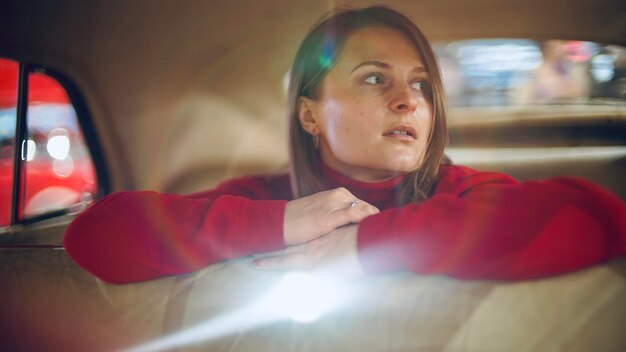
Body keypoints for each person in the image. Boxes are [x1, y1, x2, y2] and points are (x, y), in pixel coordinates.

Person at [64, 6, 626, 284]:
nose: (410, 101)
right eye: (376, 78)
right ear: (309, 113)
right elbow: (95, 235)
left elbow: (593, 214)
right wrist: (285, 223)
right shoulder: (265, 198)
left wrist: (363, 247)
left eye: (422, 86)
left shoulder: (460, 192)